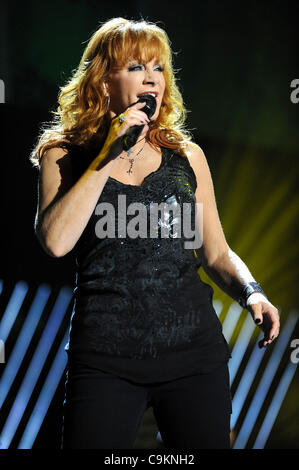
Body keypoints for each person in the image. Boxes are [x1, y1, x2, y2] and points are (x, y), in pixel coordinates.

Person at [29, 17, 280, 450]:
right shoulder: (64, 152)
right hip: (105, 356)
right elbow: (55, 241)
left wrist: (252, 291)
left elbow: (216, 253)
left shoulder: (186, 155)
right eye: (135, 67)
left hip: (192, 352)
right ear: (103, 80)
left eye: (158, 68)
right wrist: (108, 154)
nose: (151, 78)